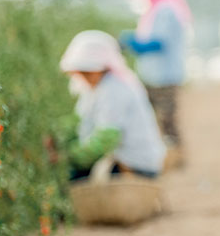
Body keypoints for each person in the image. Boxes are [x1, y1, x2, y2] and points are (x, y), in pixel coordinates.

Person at [58, 30, 166, 180]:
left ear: (104, 67)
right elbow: (79, 120)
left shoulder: (115, 89)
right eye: (81, 72)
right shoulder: (95, 87)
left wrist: (68, 156)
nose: (84, 77)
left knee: (78, 177)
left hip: (137, 166)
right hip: (123, 159)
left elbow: (106, 139)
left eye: (88, 72)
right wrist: (58, 135)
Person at [119, 0, 191, 164]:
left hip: (164, 75)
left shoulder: (165, 10)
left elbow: (159, 42)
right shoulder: (156, 10)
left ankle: (177, 158)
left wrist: (134, 43)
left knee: (166, 118)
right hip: (154, 75)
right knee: (152, 117)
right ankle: (164, 157)